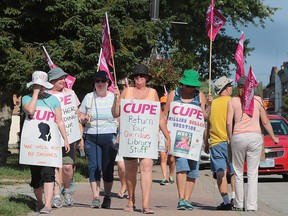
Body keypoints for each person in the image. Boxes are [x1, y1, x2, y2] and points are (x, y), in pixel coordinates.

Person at [111, 64, 171, 214]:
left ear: (147, 78)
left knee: (146, 168)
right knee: (130, 170)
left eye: (142, 76)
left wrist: (167, 137)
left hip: (147, 139)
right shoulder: (127, 91)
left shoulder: (153, 93)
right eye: (137, 76)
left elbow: (160, 118)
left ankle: (146, 205)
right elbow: (115, 113)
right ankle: (131, 201)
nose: (139, 78)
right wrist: (116, 98)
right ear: (133, 78)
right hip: (129, 138)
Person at [226, 76, 279, 211]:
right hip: (255, 137)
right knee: (252, 173)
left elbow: (228, 122)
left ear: (239, 88)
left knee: (238, 171)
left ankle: (238, 204)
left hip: (238, 136)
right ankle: (251, 206)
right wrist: (273, 137)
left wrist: (230, 138)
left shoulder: (233, 101)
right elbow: (265, 122)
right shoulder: (258, 100)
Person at [21, 71, 70, 214]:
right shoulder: (26, 98)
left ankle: (48, 205)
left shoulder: (54, 100)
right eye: (37, 85)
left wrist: (65, 139)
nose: (40, 88)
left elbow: (59, 121)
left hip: (49, 145)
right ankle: (40, 202)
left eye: (42, 86)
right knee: (36, 178)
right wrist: (35, 94)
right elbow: (30, 111)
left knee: (49, 173)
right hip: (33, 145)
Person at [163, 69, 209, 210]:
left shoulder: (200, 96)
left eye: (192, 86)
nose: (189, 88)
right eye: (187, 85)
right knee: (182, 167)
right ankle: (181, 199)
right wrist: (166, 138)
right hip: (178, 138)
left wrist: (210, 106)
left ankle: (187, 200)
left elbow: (206, 119)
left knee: (193, 171)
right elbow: (165, 116)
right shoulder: (174, 94)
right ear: (182, 83)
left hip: (194, 140)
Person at [79, 71, 118, 209]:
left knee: (107, 168)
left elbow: (119, 116)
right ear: (94, 83)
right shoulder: (89, 97)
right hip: (91, 136)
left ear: (108, 83)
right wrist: (83, 118)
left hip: (109, 135)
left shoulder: (114, 97)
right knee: (94, 167)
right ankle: (96, 197)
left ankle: (106, 197)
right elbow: (80, 115)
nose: (100, 84)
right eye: (97, 81)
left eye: (103, 81)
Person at [47, 67, 81, 207]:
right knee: (55, 166)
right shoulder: (46, 95)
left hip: (68, 135)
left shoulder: (70, 93)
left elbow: (76, 112)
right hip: (52, 137)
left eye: (63, 78)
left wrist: (83, 117)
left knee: (67, 166)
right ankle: (56, 195)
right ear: (52, 81)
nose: (63, 80)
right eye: (60, 78)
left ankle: (66, 190)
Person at [204, 76, 235, 211]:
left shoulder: (212, 105)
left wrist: (206, 142)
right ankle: (235, 198)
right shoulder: (233, 102)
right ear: (226, 88)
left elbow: (207, 124)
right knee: (234, 172)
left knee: (220, 171)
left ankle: (226, 201)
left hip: (215, 143)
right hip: (231, 141)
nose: (231, 87)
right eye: (230, 85)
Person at [158, 96, 175, 185]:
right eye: (163, 104)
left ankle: (171, 175)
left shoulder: (173, 113)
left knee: (171, 159)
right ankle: (164, 177)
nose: (164, 105)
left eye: (165, 103)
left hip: (171, 136)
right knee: (163, 157)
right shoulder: (159, 113)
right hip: (161, 136)